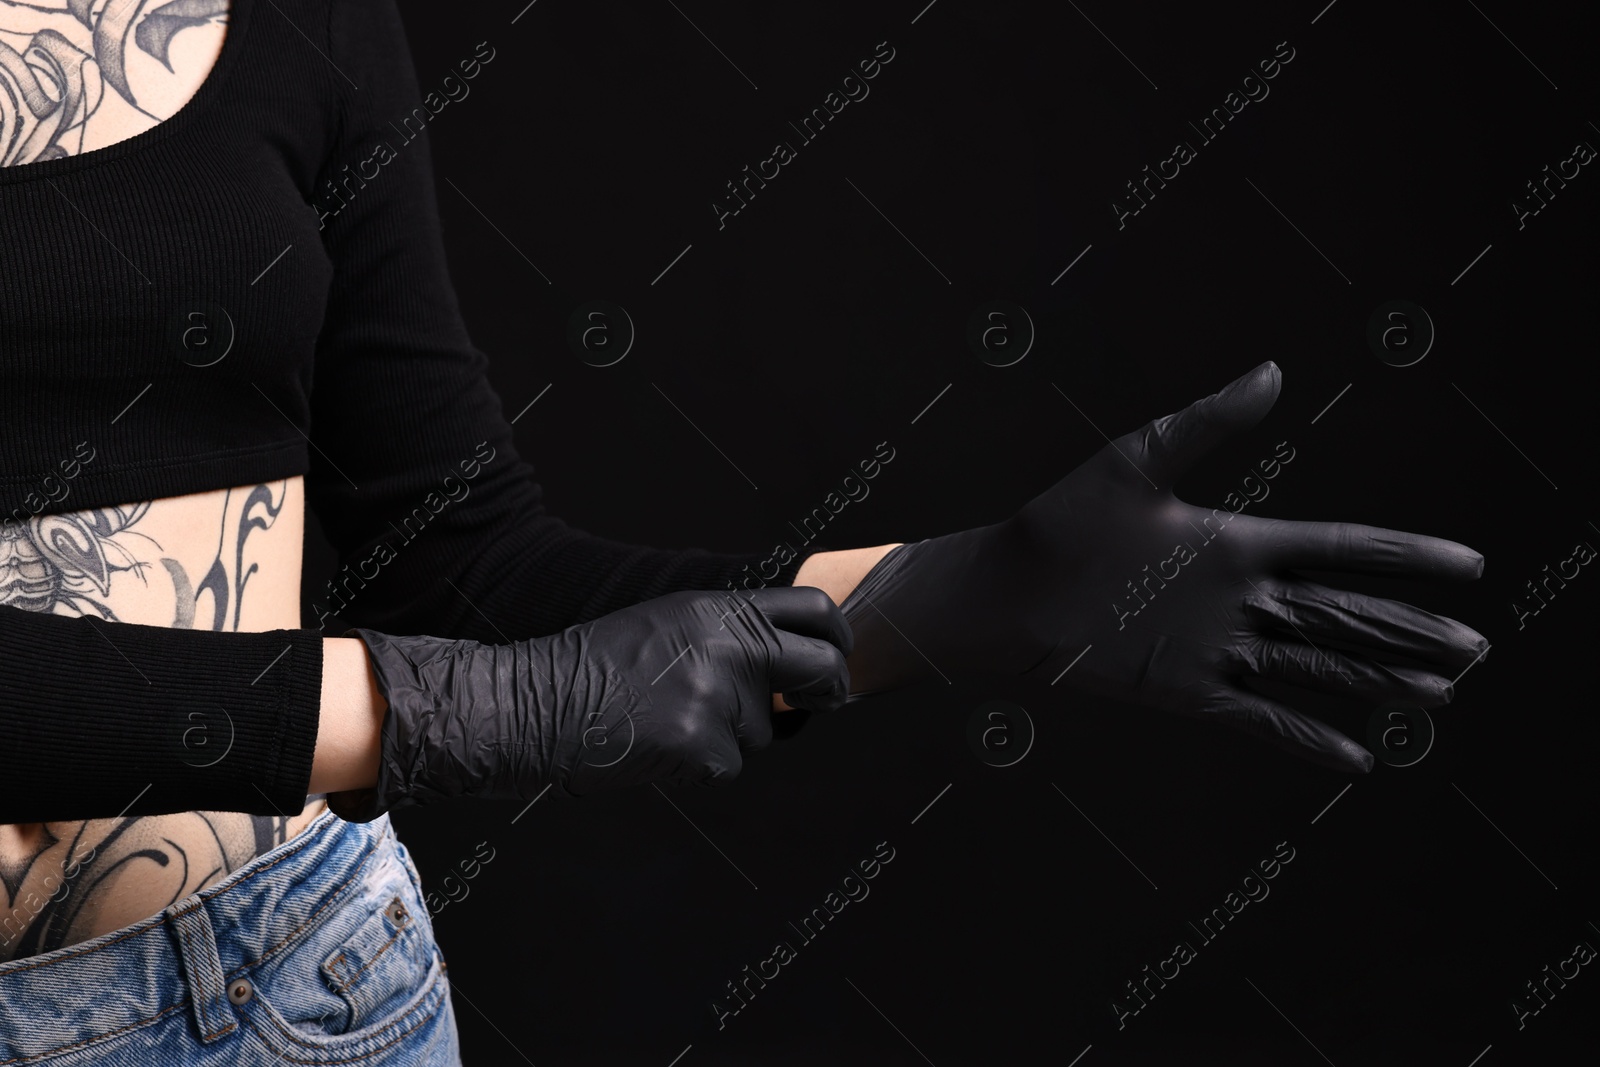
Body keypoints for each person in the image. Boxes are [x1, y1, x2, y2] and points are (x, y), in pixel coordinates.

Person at [0, 1, 1487, 1063]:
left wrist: (958, 595)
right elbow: (474, 668)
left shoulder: (306, 21)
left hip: (287, 994)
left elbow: (463, 553)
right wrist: (451, 708)